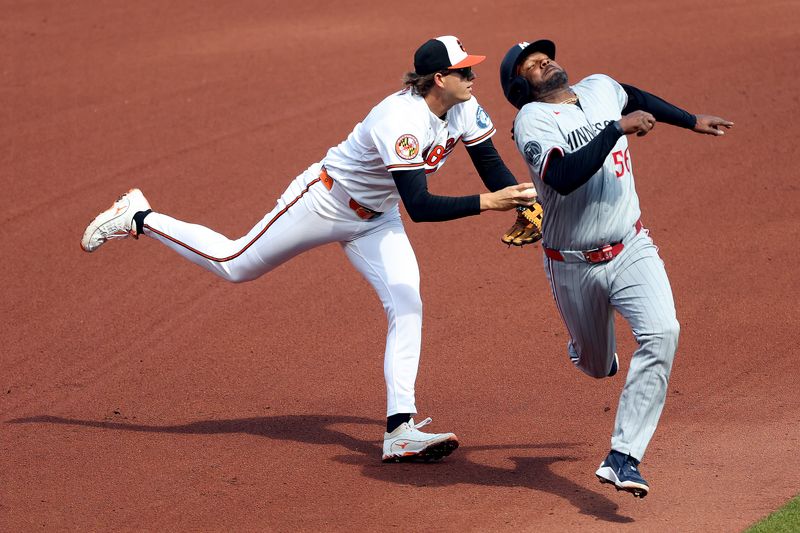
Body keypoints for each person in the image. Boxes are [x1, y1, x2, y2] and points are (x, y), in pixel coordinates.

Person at [81, 36, 536, 463]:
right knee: (234, 264)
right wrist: (489, 204)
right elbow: (420, 205)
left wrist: (518, 203)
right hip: (324, 201)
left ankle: (400, 430)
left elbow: (490, 163)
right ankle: (140, 217)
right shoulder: (400, 120)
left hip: (378, 218)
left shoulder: (464, 107)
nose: (473, 77)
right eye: (464, 70)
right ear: (439, 78)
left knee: (407, 303)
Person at [498, 39, 733, 497]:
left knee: (663, 332)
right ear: (519, 87)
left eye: (544, 56)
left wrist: (690, 120)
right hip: (572, 266)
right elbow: (562, 179)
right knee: (594, 364)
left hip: (631, 247)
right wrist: (615, 131)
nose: (544, 61)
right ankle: (590, 352)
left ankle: (623, 456)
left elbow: (636, 97)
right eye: (530, 65)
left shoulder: (601, 88)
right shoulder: (532, 121)